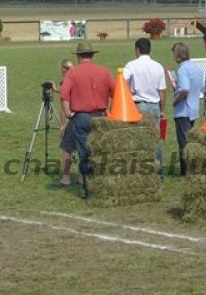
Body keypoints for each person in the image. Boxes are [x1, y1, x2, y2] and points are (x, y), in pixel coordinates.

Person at [60, 42, 115, 198]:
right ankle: (101, 182)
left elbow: (64, 95)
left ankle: (87, 185)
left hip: (81, 117)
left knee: (84, 152)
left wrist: (68, 113)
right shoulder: (104, 71)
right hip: (101, 117)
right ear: (92, 55)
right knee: (99, 150)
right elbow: (116, 92)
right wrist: (108, 110)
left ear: (78, 56)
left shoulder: (73, 73)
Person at [123, 37, 166, 175]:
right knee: (155, 140)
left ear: (137, 50)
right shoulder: (158, 66)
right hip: (154, 106)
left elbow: (122, 81)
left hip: (138, 106)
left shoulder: (131, 65)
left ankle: (139, 171)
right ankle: (158, 171)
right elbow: (162, 92)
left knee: (137, 140)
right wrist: (162, 110)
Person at [170, 42, 203, 176]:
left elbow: (185, 89)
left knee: (184, 143)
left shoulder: (182, 69)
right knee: (190, 141)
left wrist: (175, 100)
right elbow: (198, 88)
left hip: (183, 111)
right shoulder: (196, 68)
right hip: (194, 109)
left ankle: (186, 172)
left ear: (177, 55)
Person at [52, 58, 77, 187]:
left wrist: (62, 126)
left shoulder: (66, 81)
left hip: (71, 119)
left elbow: (63, 107)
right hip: (83, 116)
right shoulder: (77, 79)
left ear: (63, 70)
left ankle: (66, 177)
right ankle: (83, 177)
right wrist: (56, 89)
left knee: (66, 149)